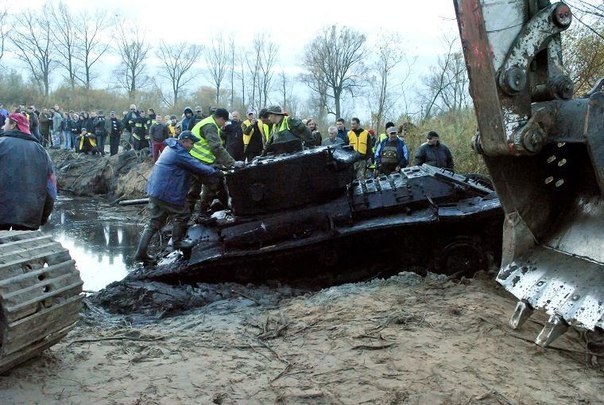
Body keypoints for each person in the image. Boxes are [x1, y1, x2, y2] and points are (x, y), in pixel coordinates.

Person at [134, 130, 221, 263]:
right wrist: (214, 171)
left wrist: (210, 167)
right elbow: (195, 166)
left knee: (154, 223)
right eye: (191, 143)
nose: (192, 146)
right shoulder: (178, 153)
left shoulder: (172, 148)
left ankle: (140, 254)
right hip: (166, 193)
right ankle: (177, 242)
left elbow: (192, 161)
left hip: (156, 191)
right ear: (184, 141)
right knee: (183, 213)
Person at [0, 112, 57, 230]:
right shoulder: (42, 151)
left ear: (13, 125)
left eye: (5, 123)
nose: (2, 127)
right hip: (30, 215)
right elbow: (51, 188)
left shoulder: (1, 143)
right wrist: (43, 216)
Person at [188, 108, 241, 220]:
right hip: (199, 160)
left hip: (194, 159)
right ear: (221, 118)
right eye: (224, 122)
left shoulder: (208, 122)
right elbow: (216, 147)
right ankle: (202, 213)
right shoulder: (210, 126)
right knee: (213, 183)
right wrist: (232, 163)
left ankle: (186, 217)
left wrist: (219, 163)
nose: (224, 124)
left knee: (194, 190)